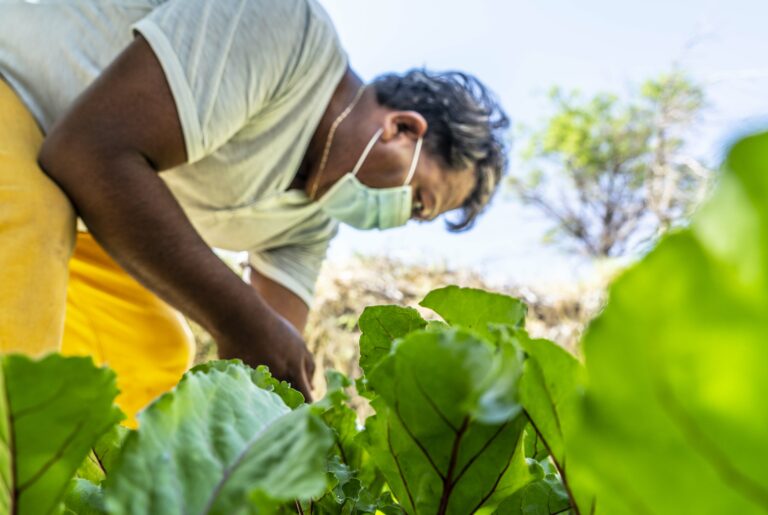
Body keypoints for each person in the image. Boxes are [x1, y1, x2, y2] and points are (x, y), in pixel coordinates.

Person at [0, 0, 509, 425]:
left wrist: (296, 438)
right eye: (418, 200)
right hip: (16, 86)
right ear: (401, 129)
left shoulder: (311, 220)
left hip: (73, 202)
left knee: (156, 346)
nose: (398, 219)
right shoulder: (283, 28)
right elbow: (90, 152)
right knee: (30, 229)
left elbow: (272, 356)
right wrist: (239, 321)